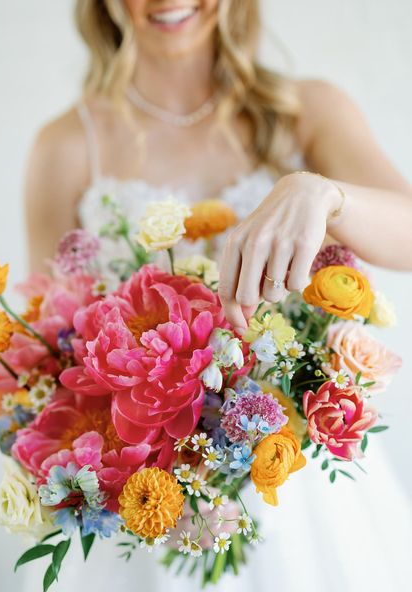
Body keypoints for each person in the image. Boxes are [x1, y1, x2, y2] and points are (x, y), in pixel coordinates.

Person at [23, 2, 412, 591]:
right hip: (148, 503)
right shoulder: (65, 145)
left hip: (299, 483)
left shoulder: (307, 110)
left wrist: (325, 194)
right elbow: (49, 349)